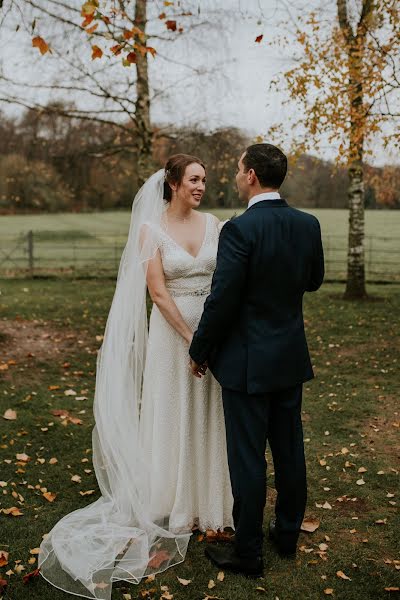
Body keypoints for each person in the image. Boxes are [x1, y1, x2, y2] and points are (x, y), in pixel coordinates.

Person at [39, 154, 233, 600]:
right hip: (173, 336)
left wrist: (212, 337)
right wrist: (191, 340)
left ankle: (210, 503)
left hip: (212, 330)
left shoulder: (216, 225)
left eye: (205, 179)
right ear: (173, 183)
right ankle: (170, 500)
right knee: (172, 410)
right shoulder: (152, 230)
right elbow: (158, 292)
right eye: (194, 180)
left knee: (209, 412)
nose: (202, 186)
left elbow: (225, 279)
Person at [189, 143, 325, 578]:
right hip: (288, 357)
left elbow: (222, 299)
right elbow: (315, 280)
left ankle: (248, 552)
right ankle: (285, 535)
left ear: (251, 176)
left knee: (247, 459)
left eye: (237, 168)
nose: (234, 174)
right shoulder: (308, 224)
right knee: (289, 451)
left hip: (247, 364)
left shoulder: (239, 229)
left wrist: (200, 349)